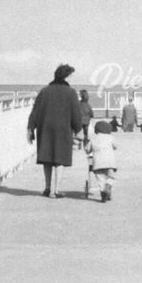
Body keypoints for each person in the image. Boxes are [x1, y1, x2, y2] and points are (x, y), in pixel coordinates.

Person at [27, 64, 82, 198]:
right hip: (62, 129)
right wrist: (78, 129)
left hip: (45, 128)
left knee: (47, 158)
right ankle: (55, 190)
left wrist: (30, 128)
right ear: (66, 77)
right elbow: (76, 114)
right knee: (59, 159)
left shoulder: (44, 91)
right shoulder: (71, 93)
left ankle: (47, 187)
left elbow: (35, 112)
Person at [88, 120, 118, 203]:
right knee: (111, 176)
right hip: (110, 162)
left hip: (98, 163)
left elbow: (87, 149)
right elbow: (116, 146)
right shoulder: (110, 137)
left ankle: (103, 193)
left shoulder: (93, 138)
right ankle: (108, 185)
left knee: (100, 178)